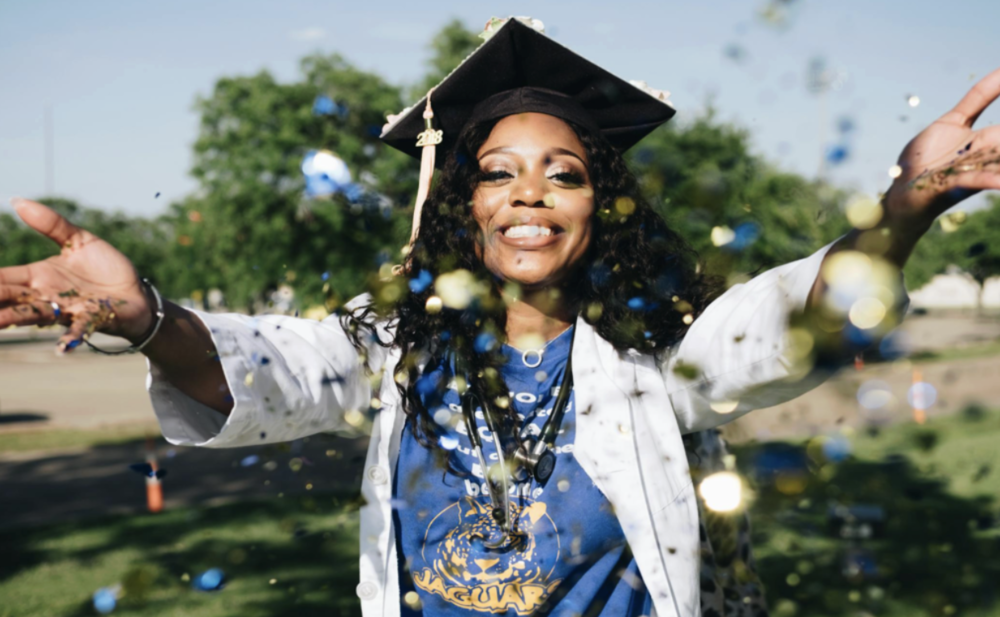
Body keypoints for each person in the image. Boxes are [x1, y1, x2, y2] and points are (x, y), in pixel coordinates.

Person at [2, 16, 999, 617]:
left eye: (562, 173)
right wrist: (145, 318)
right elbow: (268, 372)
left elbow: (793, 320)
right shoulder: (390, 343)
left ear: (597, 203)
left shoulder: (659, 356)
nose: (529, 194)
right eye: (497, 172)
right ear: (459, 203)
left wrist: (905, 206)